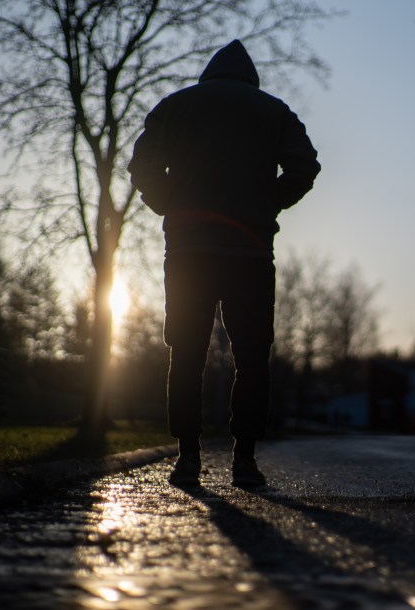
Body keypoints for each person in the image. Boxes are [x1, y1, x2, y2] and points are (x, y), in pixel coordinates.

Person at [128, 40, 320, 487]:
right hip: (249, 252)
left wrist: (169, 204)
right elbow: (304, 167)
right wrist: (268, 203)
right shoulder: (275, 111)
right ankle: (245, 460)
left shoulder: (175, 106)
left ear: (209, 73)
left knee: (186, 350)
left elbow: (142, 166)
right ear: (250, 78)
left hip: (188, 250)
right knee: (252, 355)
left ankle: (187, 456)